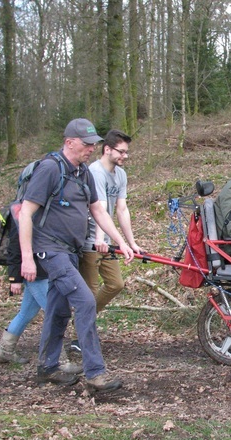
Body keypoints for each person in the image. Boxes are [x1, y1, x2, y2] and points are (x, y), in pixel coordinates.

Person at [19, 118, 134, 391]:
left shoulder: (83, 173)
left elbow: (98, 210)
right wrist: (26, 257)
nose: (91, 149)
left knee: (58, 310)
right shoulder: (50, 169)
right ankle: (96, 373)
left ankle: (47, 368)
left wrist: (122, 242)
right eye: (86, 144)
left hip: (70, 251)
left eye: (93, 144)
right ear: (69, 142)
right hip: (50, 249)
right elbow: (25, 212)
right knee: (85, 301)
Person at [71, 130, 142, 353]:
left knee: (116, 284)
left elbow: (121, 209)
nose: (125, 156)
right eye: (121, 151)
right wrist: (99, 239)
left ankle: (82, 324)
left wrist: (131, 243)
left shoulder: (120, 175)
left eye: (126, 152)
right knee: (89, 293)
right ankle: (80, 338)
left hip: (106, 241)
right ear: (107, 149)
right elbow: (97, 207)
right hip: (89, 241)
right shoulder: (94, 172)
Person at [0, 214, 82, 374]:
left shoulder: (44, 208)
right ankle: (55, 360)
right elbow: (14, 246)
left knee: (26, 312)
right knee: (54, 313)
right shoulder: (22, 210)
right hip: (33, 272)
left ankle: (5, 351)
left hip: (43, 269)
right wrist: (14, 278)